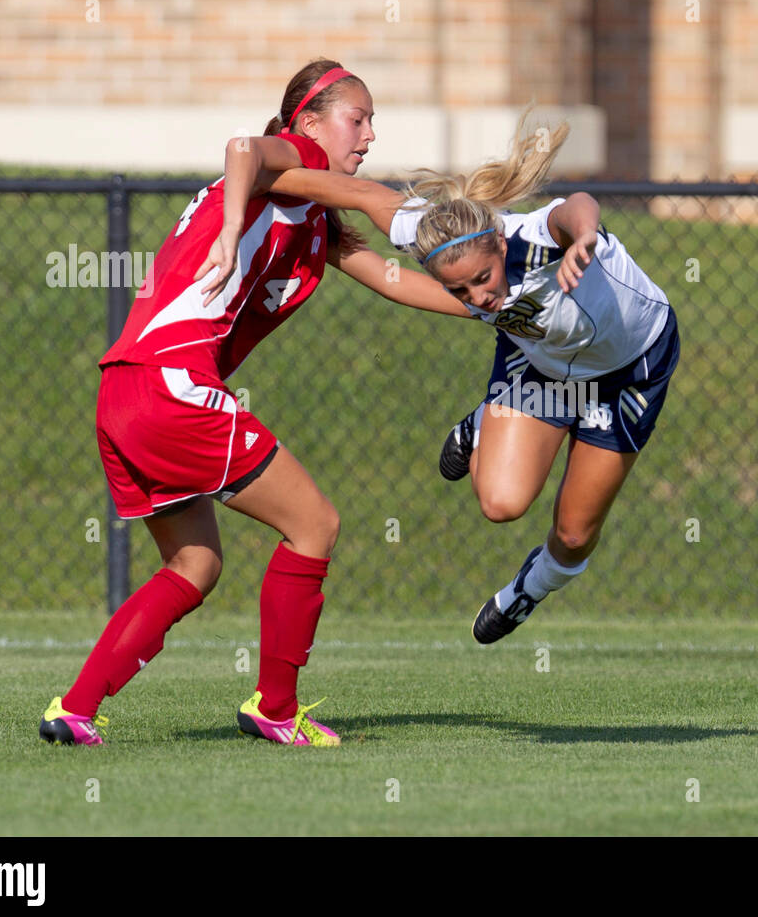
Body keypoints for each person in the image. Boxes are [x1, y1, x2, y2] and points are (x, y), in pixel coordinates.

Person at [40, 58, 469, 747]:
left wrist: (493, 307)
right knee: (314, 525)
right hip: (174, 385)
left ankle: (74, 708)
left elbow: (392, 280)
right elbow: (246, 148)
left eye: (371, 124)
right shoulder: (289, 160)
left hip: (125, 391)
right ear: (306, 122)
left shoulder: (311, 213)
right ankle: (275, 706)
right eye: (356, 119)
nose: (367, 135)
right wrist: (239, 212)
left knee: (195, 565)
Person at [262, 113, 679, 644]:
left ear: (500, 248)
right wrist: (261, 176)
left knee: (573, 534)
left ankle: (530, 587)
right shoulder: (433, 239)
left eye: (483, 279)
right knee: (500, 504)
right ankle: (487, 419)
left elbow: (576, 205)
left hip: (630, 367)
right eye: (461, 291)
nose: (480, 297)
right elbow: (358, 192)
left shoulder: (534, 238)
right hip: (545, 364)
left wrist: (585, 238)